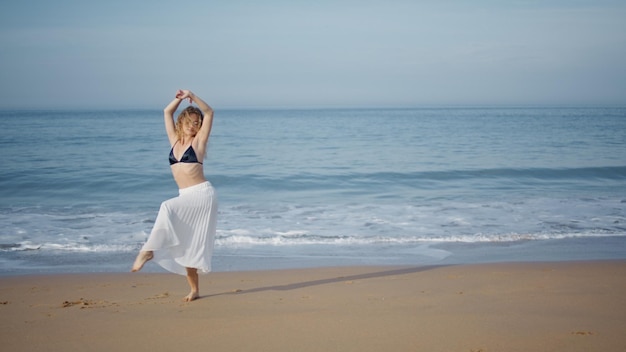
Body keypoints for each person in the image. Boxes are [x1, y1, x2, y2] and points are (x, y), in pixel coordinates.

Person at [132, 89, 218, 302]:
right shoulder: (174, 141)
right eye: (189, 121)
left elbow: (210, 112)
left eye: (196, 123)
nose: (193, 126)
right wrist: (180, 98)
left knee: (166, 206)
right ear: (182, 122)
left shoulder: (198, 143)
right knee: (187, 245)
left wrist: (194, 95)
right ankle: (194, 290)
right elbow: (166, 112)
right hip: (185, 195)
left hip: (202, 196)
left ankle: (148, 251)